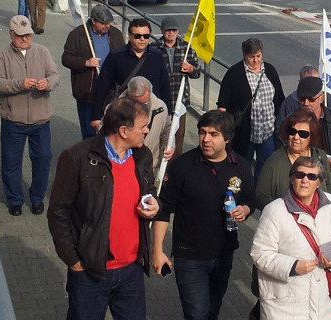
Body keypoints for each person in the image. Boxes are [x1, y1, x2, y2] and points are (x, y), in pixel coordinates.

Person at [47, 98, 159, 319]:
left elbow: (149, 190)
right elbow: (58, 212)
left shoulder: (142, 155)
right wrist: (72, 259)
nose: (147, 131)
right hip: (90, 272)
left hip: (131, 271)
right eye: (143, 126)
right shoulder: (77, 157)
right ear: (123, 130)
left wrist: (154, 202)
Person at [154, 110, 255, 320]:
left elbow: (250, 200)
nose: (206, 139)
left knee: (211, 311)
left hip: (224, 253)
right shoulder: (182, 166)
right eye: (202, 132)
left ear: (227, 139)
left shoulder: (241, 167)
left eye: (214, 134)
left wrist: (244, 210)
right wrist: (157, 250)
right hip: (189, 255)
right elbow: (164, 209)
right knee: (196, 314)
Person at [250, 157, 331, 319]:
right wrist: (293, 266)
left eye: (312, 176)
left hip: (323, 305)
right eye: (300, 175)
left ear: (319, 182)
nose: (305, 180)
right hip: (284, 306)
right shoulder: (274, 210)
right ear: (292, 178)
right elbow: (260, 254)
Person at [0, 15, 59, 217]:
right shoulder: (2, 56)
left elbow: (55, 76)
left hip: (41, 119)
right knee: (11, 163)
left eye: (27, 35)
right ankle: (15, 200)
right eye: (20, 36)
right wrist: (19, 84)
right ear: (11, 35)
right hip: (13, 120)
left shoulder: (42, 51)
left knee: (43, 159)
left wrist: (48, 83)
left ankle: (37, 198)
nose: (24, 39)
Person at [275, 76, 331, 200]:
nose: (306, 103)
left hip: (329, 182)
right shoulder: (289, 122)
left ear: (321, 98)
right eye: (302, 99)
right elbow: (281, 149)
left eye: (311, 99)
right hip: (299, 183)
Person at [217, 37, 285, 182]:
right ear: (244, 55)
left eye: (258, 56)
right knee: (242, 166)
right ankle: (243, 193)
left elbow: (279, 99)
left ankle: (258, 194)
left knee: (266, 166)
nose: (255, 60)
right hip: (244, 134)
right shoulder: (234, 74)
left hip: (267, 131)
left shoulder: (270, 71)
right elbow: (222, 106)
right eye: (251, 57)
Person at [91, 18, 171, 132]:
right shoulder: (116, 56)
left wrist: (168, 114)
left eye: (146, 36)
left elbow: (165, 87)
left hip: (151, 114)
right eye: (138, 36)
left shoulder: (157, 56)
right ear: (130, 36)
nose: (142, 39)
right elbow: (101, 87)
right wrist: (96, 116)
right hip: (124, 114)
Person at [62, 5, 125, 140]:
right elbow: (66, 59)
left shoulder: (115, 34)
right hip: (88, 91)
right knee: (89, 131)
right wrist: (86, 62)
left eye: (109, 22)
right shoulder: (78, 34)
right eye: (103, 23)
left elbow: (123, 55)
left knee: (111, 129)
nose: (107, 26)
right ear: (93, 21)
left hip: (111, 91)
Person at [256, 110, 331, 211]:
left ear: (312, 136)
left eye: (303, 134)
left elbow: (328, 189)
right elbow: (261, 197)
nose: (296, 137)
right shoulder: (274, 163)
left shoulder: (320, 157)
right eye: (292, 132)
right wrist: (286, 213)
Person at [151, 17, 201, 159]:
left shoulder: (186, 48)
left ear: (178, 31)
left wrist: (191, 69)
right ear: (162, 30)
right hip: (159, 101)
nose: (171, 33)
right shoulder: (154, 48)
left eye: (174, 30)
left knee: (178, 140)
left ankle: (172, 173)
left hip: (180, 103)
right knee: (156, 137)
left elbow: (197, 72)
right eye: (168, 30)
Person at [118, 76, 173, 174]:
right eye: (136, 102)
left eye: (144, 102)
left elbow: (167, 130)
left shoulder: (160, 107)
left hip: (150, 169)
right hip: (123, 168)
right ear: (129, 95)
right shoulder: (114, 110)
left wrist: (169, 146)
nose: (141, 107)